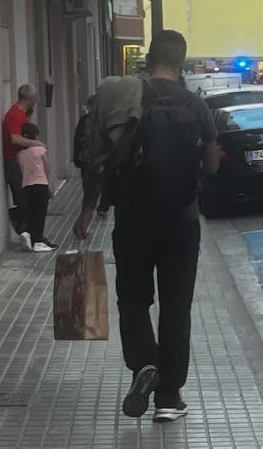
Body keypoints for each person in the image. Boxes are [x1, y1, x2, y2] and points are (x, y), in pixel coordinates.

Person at [76, 29, 222, 423]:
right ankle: (169, 398)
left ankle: (143, 363)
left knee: (134, 299)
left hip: (133, 219)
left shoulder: (129, 100)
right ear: (182, 62)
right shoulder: (195, 105)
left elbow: (100, 157)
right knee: (177, 307)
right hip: (181, 221)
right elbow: (211, 162)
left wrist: (87, 210)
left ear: (149, 58)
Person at [1, 84, 37, 251]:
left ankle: (27, 230)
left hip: (20, 161)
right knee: (23, 196)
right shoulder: (14, 115)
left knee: (27, 196)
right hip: (13, 162)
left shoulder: (22, 115)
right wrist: (36, 143)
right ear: (30, 99)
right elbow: (15, 139)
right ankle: (24, 229)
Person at [16, 123, 54, 251]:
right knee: (40, 214)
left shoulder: (20, 154)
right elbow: (47, 168)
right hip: (40, 185)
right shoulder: (40, 150)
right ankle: (38, 242)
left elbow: (22, 171)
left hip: (26, 186)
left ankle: (29, 235)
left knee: (31, 214)